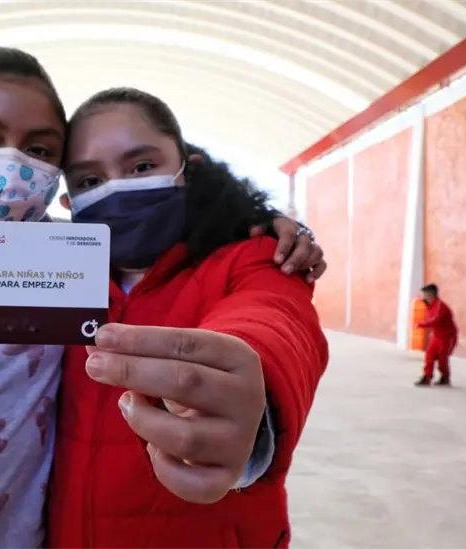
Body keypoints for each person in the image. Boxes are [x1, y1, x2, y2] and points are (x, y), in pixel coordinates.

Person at [0, 48, 326, 549]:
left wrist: (244, 392)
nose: (9, 163)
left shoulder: (70, 259)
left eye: (39, 150)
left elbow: (268, 319)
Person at [46, 88, 329, 548]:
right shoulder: (51, 277)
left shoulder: (254, 258)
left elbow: (274, 319)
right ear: (68, 204)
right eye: (89, 181)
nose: (116, 188)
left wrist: (243, 387)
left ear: (186, 171)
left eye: (141, 167)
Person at [415, 283, 457, 386]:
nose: (422, 297)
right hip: (436, 335)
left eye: (423, 295)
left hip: (447, 336)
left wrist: (420, 324)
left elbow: (436, 320)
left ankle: (445, 377)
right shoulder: (430, 304)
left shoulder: (440, 306)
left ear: (430, 296)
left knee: (442, 359)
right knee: (429, 355)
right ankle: (427, 377)